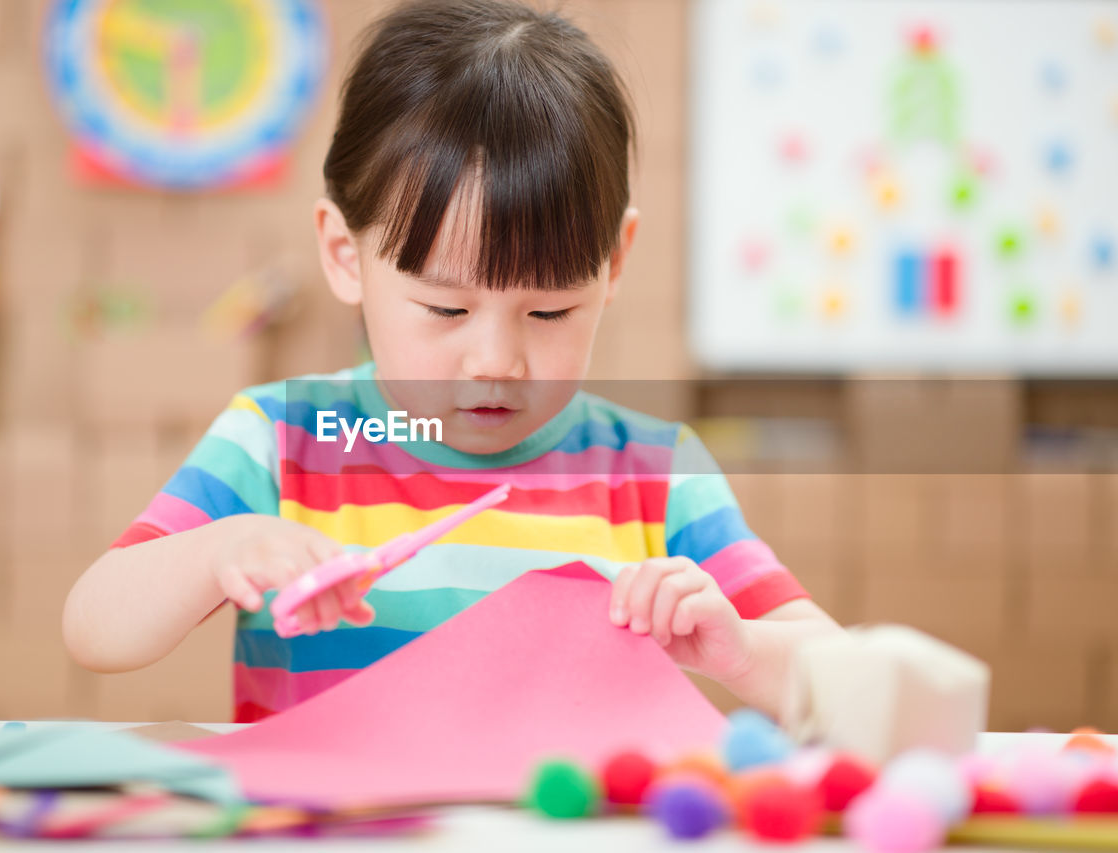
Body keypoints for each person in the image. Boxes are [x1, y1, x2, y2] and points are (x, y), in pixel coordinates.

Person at [63, 0, 840, 724]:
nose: (495, 360)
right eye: (446, 309)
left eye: (548, 311)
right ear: (344, 254)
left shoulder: (657, 472)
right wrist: (221, 549)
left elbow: (837, 670)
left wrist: (743, 648)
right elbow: (96, 628)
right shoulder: (283, 437)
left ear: (614, 263)